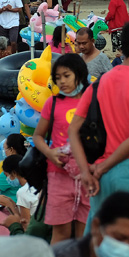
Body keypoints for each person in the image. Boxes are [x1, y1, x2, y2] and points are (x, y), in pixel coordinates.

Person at [69, 22, 129, 231]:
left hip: (99, 175)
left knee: (97, 247)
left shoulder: (98, 84)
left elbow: (73, 130)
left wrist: (86, 171)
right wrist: (103, 167)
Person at [32, 54, 91, 244]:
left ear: (79, 74)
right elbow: (38, 136)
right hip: (58, 175)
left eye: (66, 75)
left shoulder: (93, 101)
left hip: (88, 175)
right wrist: (49, 152)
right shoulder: (53, 102)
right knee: (61, 234)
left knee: (85, 234)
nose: (62, 81)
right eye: (57, 78)